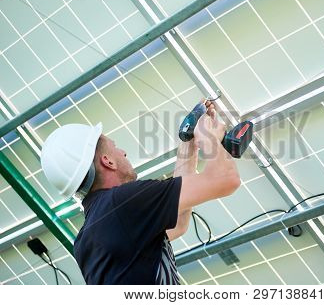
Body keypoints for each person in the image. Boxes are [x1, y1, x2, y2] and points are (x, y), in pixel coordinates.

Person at [40, 99, 240, 284]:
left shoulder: (87, 238)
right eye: (115, 147)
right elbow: (225, 180)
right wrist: (208, 136)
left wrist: (188, 141)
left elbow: (178, 223)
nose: (123, 152)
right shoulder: (122, 202)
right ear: (107, 161)